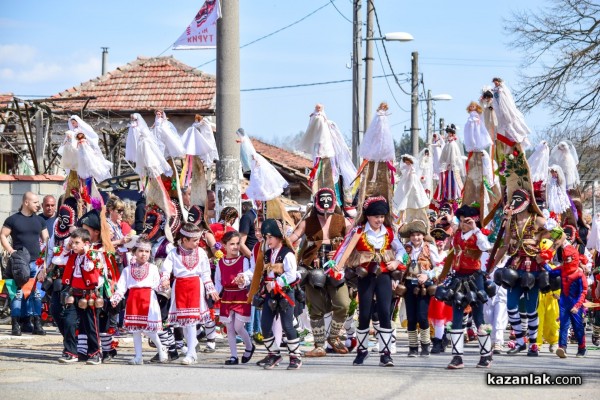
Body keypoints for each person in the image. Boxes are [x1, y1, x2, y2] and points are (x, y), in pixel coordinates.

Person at [288, 188, 350, 357]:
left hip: (336, 269)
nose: (325, 214)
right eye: (322, 210)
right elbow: (291, 240)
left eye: (328, 211)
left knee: (343, 304)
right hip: (312, 268)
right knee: (316, 309)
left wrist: (340, 254)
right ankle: (319, 345)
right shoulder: (307, 222)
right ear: (316, 206)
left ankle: (334, 337)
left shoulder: (343, 221)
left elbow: (353, 243)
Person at [345, 196, 406, 367]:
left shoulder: (389, 232)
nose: (379, 220)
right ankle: (362, 351)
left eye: (382, 217)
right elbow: (345, 250)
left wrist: (397, 262)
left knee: (384, 312)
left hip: (384, 276)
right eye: (376, 216)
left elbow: (402, 251)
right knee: (364, 313)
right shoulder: (359, 232)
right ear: (368, 217)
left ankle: (385, 353)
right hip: (365, 276)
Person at [235, 219, 302, 370]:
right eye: (266, 237)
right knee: (265, 325)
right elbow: (256, 271)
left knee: (287, 325)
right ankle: (274, 354)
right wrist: (244, 277)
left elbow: (292, 274)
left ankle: (295, 356)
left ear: (279, 237)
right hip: (270, 293)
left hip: (285, 292)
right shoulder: (266, 253)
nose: (267, 240)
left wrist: (278, 282)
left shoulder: (287, 253)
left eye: (270, 237)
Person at [491, 189, 546, 357]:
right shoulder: (510, 221)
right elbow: (505, 245)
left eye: (518, 200)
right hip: (515, 267)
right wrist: (492, 265)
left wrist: (546, 252)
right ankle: (521, 342)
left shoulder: (538, 220)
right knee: (510, 305)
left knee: (530, 309)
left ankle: (533, 344)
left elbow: (559, 234)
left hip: (533, 268)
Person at [160, 222, 219, 365]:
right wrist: (165, 279)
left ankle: (192, 353)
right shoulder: (174, 253)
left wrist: (211, 289)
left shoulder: (201, 253)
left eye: (198, 239)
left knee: (192, 321)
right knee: (184, 322)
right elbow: (166, 268)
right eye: (195, 240)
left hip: (195, 287)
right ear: (184, 240)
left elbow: (205, 273)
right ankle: (191, 348)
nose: (198, 243)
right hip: (180, 287)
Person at [443, 205, 493, 369]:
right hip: (458, 277)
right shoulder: (457, 233)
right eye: (461, 220)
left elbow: (486, 247)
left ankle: (485, 355)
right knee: (457, 315)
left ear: (475, 220)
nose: (463, 224)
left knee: (478, 316)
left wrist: (475, 229)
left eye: (467, 221)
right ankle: (457, 357)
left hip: (474, 277)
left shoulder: (480, 234)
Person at [110, 238, 166, 364]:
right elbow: (121, 287)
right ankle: (138, 357)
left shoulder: (152, 268)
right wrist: (114, 299)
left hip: (148, 299)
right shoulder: (127, 270)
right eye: (141, 251)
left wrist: (164, 285)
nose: (144, 254)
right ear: (135, 252)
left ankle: (161, 348)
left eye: (147, 251)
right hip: (134, 300)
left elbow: (157, 285)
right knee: (136, 330)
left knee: (149, 329)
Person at [0, 192, 49, 336]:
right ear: (26, 203)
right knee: (17, 294)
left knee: (37, 295)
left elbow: (46, 240)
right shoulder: (13, 219)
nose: (38, 205)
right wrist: (11, 251)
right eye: (35, 202)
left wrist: (44, 262)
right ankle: (16, 325)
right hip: (19, 264)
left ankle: (37, 324)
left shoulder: (39, 221)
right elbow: (3, 235)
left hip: (36, 263)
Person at [54, 228, 102, 364]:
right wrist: (66, 248)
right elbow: (57, 260)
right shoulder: (72, 256)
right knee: (68, 322)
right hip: (73, 294)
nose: (73, 245)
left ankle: (95, 353)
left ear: (86, 243)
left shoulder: (92, 255)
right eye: (72, 242)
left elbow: (89, 268)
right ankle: (71, 352)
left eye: (76, 243)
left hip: (88, 296)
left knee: (90, 326)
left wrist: (87, 252)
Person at [399, 220, 442, 357]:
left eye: (418, 235)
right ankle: (412, 347)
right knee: (411, 317)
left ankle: (425, 346)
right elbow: (400, 264)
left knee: (422, 316)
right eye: (412, 235)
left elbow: (439, 267)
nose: (415, 238)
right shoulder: (405, 248)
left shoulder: (430, 248)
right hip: (409, 285)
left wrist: (427, 275)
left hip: (424, 286)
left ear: (423, 235)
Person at [215, 231, 255, 365]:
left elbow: (247, 277)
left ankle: (249, 346)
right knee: (229, 328)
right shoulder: (220, 262)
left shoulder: (243, 259)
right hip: (227, 296)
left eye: (238, 244)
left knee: (238, 326)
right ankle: (233, 356)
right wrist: (215, 293)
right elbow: (218, 281)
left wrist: (242, 280)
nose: (235, 247)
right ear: (224, 245)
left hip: (240, 295)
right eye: (232, 244)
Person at [545, 244, 588, 358]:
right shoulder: (562, 269)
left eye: (567, 259)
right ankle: (562, 347)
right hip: (564, 302)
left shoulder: (579, 274)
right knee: (563, 326)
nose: (565, 262)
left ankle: (582, 348)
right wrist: (542, 262)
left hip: (575, 304)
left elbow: (584, 291)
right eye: (564, 259)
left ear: (574, 258)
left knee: (577, 326)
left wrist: (577, 306)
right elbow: (551, 272)